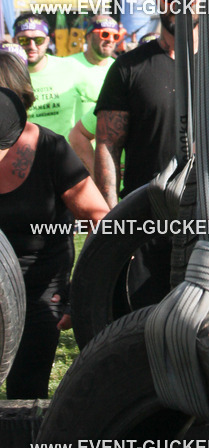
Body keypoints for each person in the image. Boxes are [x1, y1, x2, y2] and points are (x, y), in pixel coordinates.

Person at [0, 45, 109, 399]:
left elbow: (100, 218)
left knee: (25, 394)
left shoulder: (50, 149)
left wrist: (79, 294)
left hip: (38, 294)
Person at [94, 0, 200, 306]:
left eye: (190, 0)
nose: (180, 7)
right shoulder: (128, 67)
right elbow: (108, 145)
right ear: (159, 2)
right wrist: (114, 216)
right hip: (143, 217)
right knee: (138, 318)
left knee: (195, 322)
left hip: (201, 218)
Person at [13, 14, 83, 139]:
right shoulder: (5, 74)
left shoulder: (71, 67)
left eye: (38, 40)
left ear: (48, 41)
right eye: (24, 40)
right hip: (21, 156)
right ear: (14, 41)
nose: (32, 46)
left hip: (63, 155)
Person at [68, 16, 122, 175]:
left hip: (105, 160)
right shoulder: (67, 65)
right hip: (72, 157)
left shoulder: (120, 69)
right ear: (89, 36)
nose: (110, 40)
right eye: (104, 34)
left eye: (115, 36)